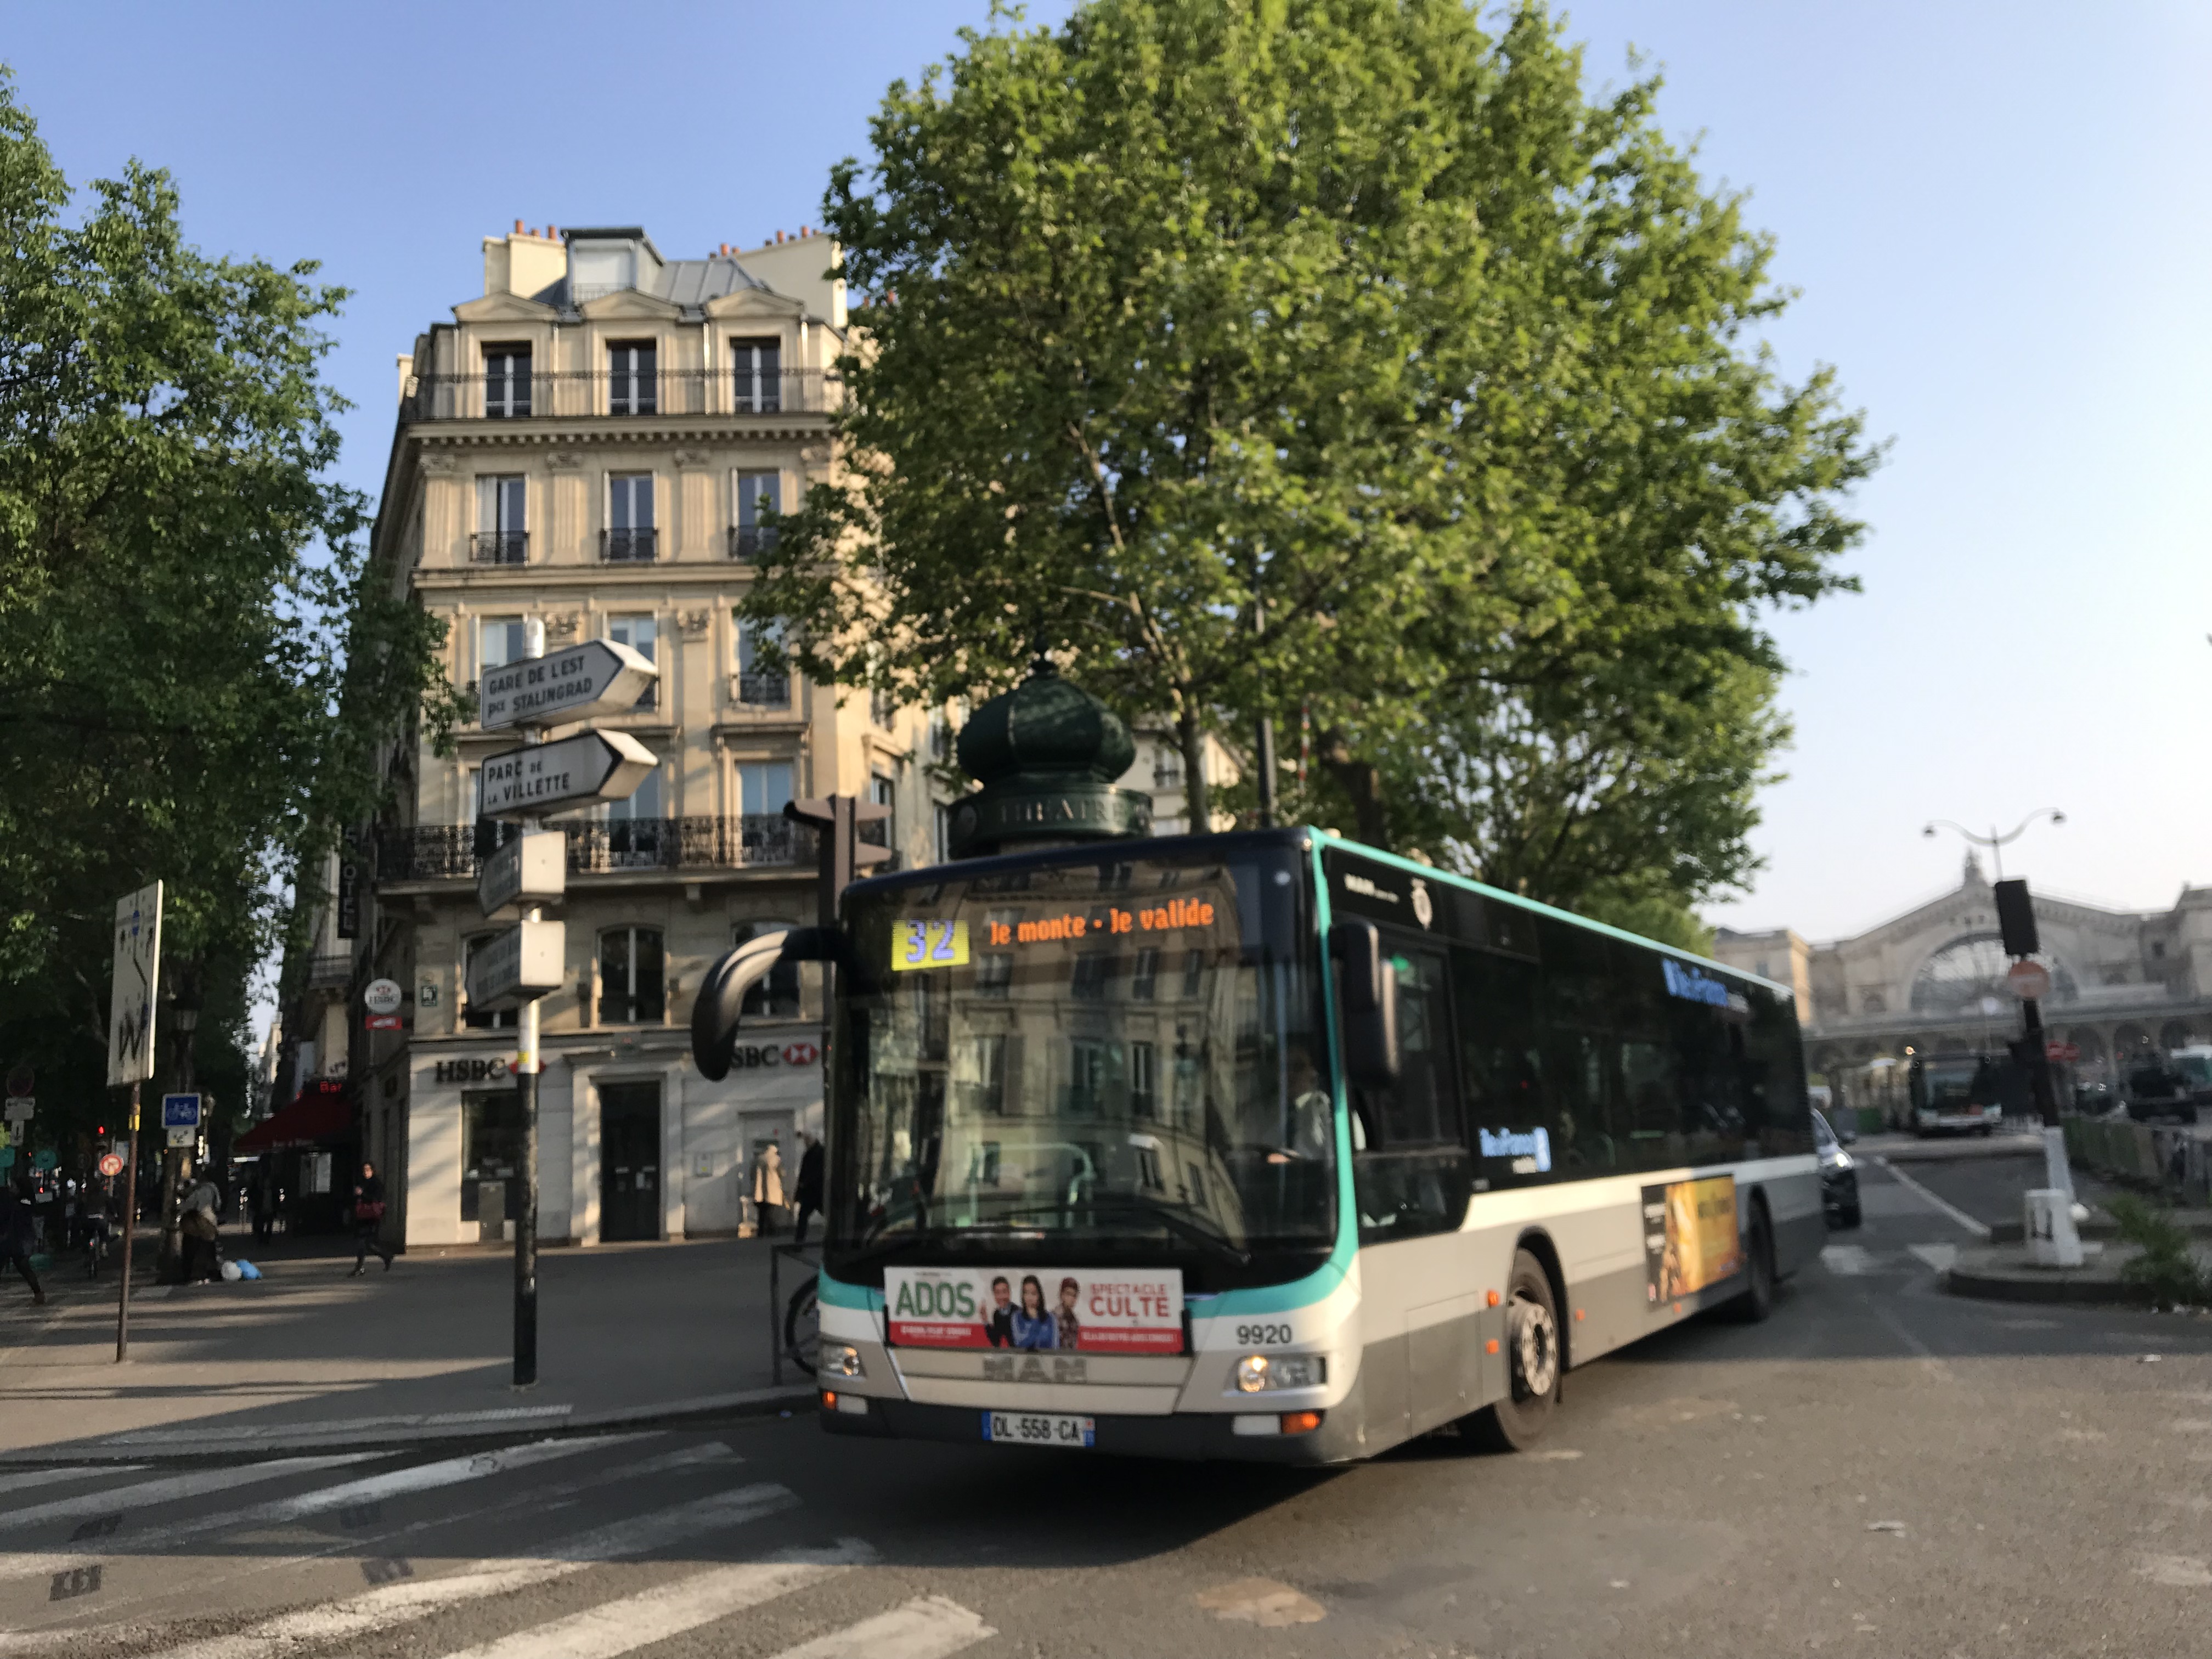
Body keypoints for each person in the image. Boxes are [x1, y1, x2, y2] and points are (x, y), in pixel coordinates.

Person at [0, 1180, 44, 1306]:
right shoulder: (25, 1203)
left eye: (14, 1186)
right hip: (19, 1240)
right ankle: (38, 1294)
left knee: (23, 1267)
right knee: (24, 1268)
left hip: (11, 1240)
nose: (11, 1189)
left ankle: (39, 1294)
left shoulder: (12, 1202)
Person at [349, 1162, 395, 1276]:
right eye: (364, 1170)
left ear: (373, 1171)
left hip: (372, 1216)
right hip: (362, 1216)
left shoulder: (377, 1183)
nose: (366, 1172)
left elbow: (376, 1198)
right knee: (365, 1243)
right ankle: (386, 1257)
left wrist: (363, 1194)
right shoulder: (361, 1182)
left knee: (365, 1242)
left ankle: (360, 1267)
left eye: (368, 1170)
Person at [179, 1171, 222, 1283]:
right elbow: (218, 1205)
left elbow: (189, 1205)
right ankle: (209, 1273)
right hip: (210, 1220)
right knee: (208, 1249)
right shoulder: (214, 1189)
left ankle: (194, 1275)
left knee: (193, 1250)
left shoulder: (200, 1190)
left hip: (197, 1223)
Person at [790, 1132, 825, 1247]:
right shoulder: (818, 1152)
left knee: (803, 1217)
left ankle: (799, 1242)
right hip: (817, 1192)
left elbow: (805, 1174)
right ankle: (799, 1242)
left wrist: (801, 1190)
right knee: (804, 1216)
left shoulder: (815, 1154)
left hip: (813, 1191)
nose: (805, 1144)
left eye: (807, 1141)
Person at [1010, 1273, 1056, 1350]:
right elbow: (1019, 1344)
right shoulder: (1016, 1317)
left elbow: (1055, 1347)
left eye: (1033, 1294)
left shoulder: (1050, 1318)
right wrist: (1035, 1321)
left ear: (1039, 1296)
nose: (1029, 1298)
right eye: (1026, 1293)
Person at [751, 1139, 785, 1237]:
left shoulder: (759, 1159)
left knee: (761, 1212)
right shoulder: (776, 1159)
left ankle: (761, 1232)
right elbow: (782, 1173)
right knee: (770, 1212)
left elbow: (752, 1174)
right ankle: (772, 1231)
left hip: (759, 1191)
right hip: (772, 1190)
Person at [250, 1156, 282, 1246]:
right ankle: (261, 1239)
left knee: (269, 1225)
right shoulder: (260, 1190)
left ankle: (266, 1239)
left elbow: (276, 1200)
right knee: (261, 1225)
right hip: (261, 1209)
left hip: (269, 1209)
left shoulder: (271, 1191)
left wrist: (277, 1208)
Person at [983, 1274, 1015, 1347]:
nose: (1001, 1297)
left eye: (1004, 1292)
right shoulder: (997, 1314)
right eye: (998, 1293)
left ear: (1009, 1293)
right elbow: (996, 1341)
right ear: (994, 1295)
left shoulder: (1018, 1312)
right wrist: (985, 1320)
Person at [1053, 1276, 1082, 1350]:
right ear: (1061, 1295)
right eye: (1068, 1294)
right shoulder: (1052, 1318)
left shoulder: (1075, 1321)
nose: (1071, 1299)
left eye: (1074, 1296)